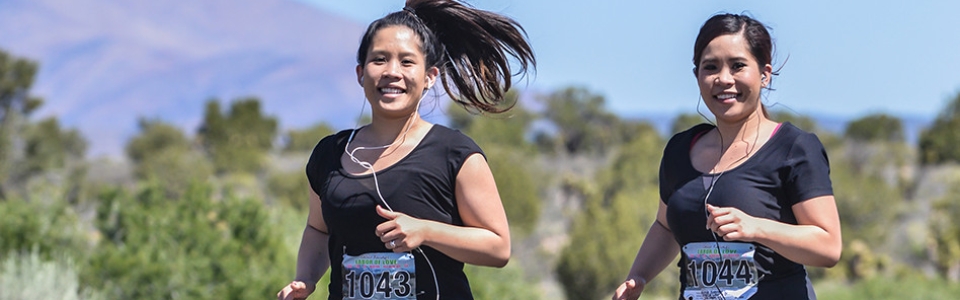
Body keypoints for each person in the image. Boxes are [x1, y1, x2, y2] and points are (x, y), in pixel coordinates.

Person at [276, 0, 535, 299]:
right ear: (361, 73)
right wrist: (305, 280)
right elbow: (317, 230)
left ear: (430, 77)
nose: (392, 72)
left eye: (407, 62)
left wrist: (426, 231)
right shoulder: (329, 155)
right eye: (380, 60)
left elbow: (498, 247)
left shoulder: (455, 154)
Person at [613, 13, 841, 300]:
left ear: (764, 73)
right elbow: (665, 227)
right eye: (711, 67)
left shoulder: (794, 148)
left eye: (738, 66)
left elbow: (828, 247)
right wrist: (639, 275)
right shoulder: (679, 150)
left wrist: (756, 227)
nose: (723, 79)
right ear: (697, 76)